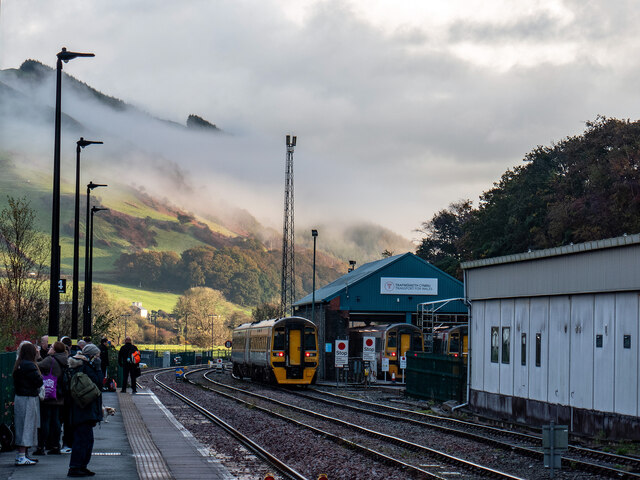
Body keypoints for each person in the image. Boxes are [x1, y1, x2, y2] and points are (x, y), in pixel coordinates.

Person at [67, 343, 103, 477]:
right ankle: (76, 466)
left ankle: (81, 465)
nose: (98, 358)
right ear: (91, 355)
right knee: (83, 439)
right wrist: (99, 369)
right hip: (84, 409)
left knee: (86, 439)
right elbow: (98, 384)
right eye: (97, 356)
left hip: (81, 409)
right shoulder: (86, 368)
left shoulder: (79, 367)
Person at [34, 341, 68, 455]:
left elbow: (37, 367)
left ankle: (41, 446)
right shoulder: (65, 359)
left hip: (49, 393)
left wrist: (38, 357)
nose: (49, 348)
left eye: (51, 347)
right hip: (59, 394)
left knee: (45, 421)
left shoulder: (50, 359)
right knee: (56, 420)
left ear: (54, 350)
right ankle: (55, 445)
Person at [12, 341, 43, 466]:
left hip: (20, 397)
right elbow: (38, 381)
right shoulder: (30, 365)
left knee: (21, 426)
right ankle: (22, 456)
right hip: (28, 398)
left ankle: (22, 455)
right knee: (27, 426)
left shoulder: (19, 364)